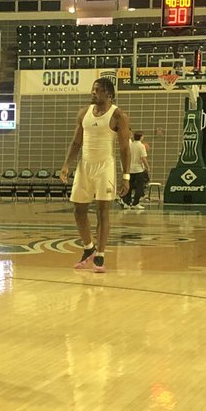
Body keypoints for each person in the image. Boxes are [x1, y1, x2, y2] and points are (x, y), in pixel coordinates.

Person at [60, 77, 131, 273]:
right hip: (85, 166)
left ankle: (100, 255)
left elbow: (125, 149)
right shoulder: (84, 113)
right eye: (93, 89)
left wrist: (126, 177)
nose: (93, 92)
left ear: (108, 93)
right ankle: (88, 248)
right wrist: (66, 165)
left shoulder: (118, 115)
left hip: (105, 167)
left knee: (102, 212)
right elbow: (76, 142)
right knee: (78, 210)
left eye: (97, 90)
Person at [123, 130, 151, 210]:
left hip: (130, 169)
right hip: (139, 170)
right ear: (141, 137)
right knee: (139, 187)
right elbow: (143, 158)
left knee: (130, 187)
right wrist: (147, 167)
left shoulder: (130, 145)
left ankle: (127, 203)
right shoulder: (141, 146)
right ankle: (135, 203)